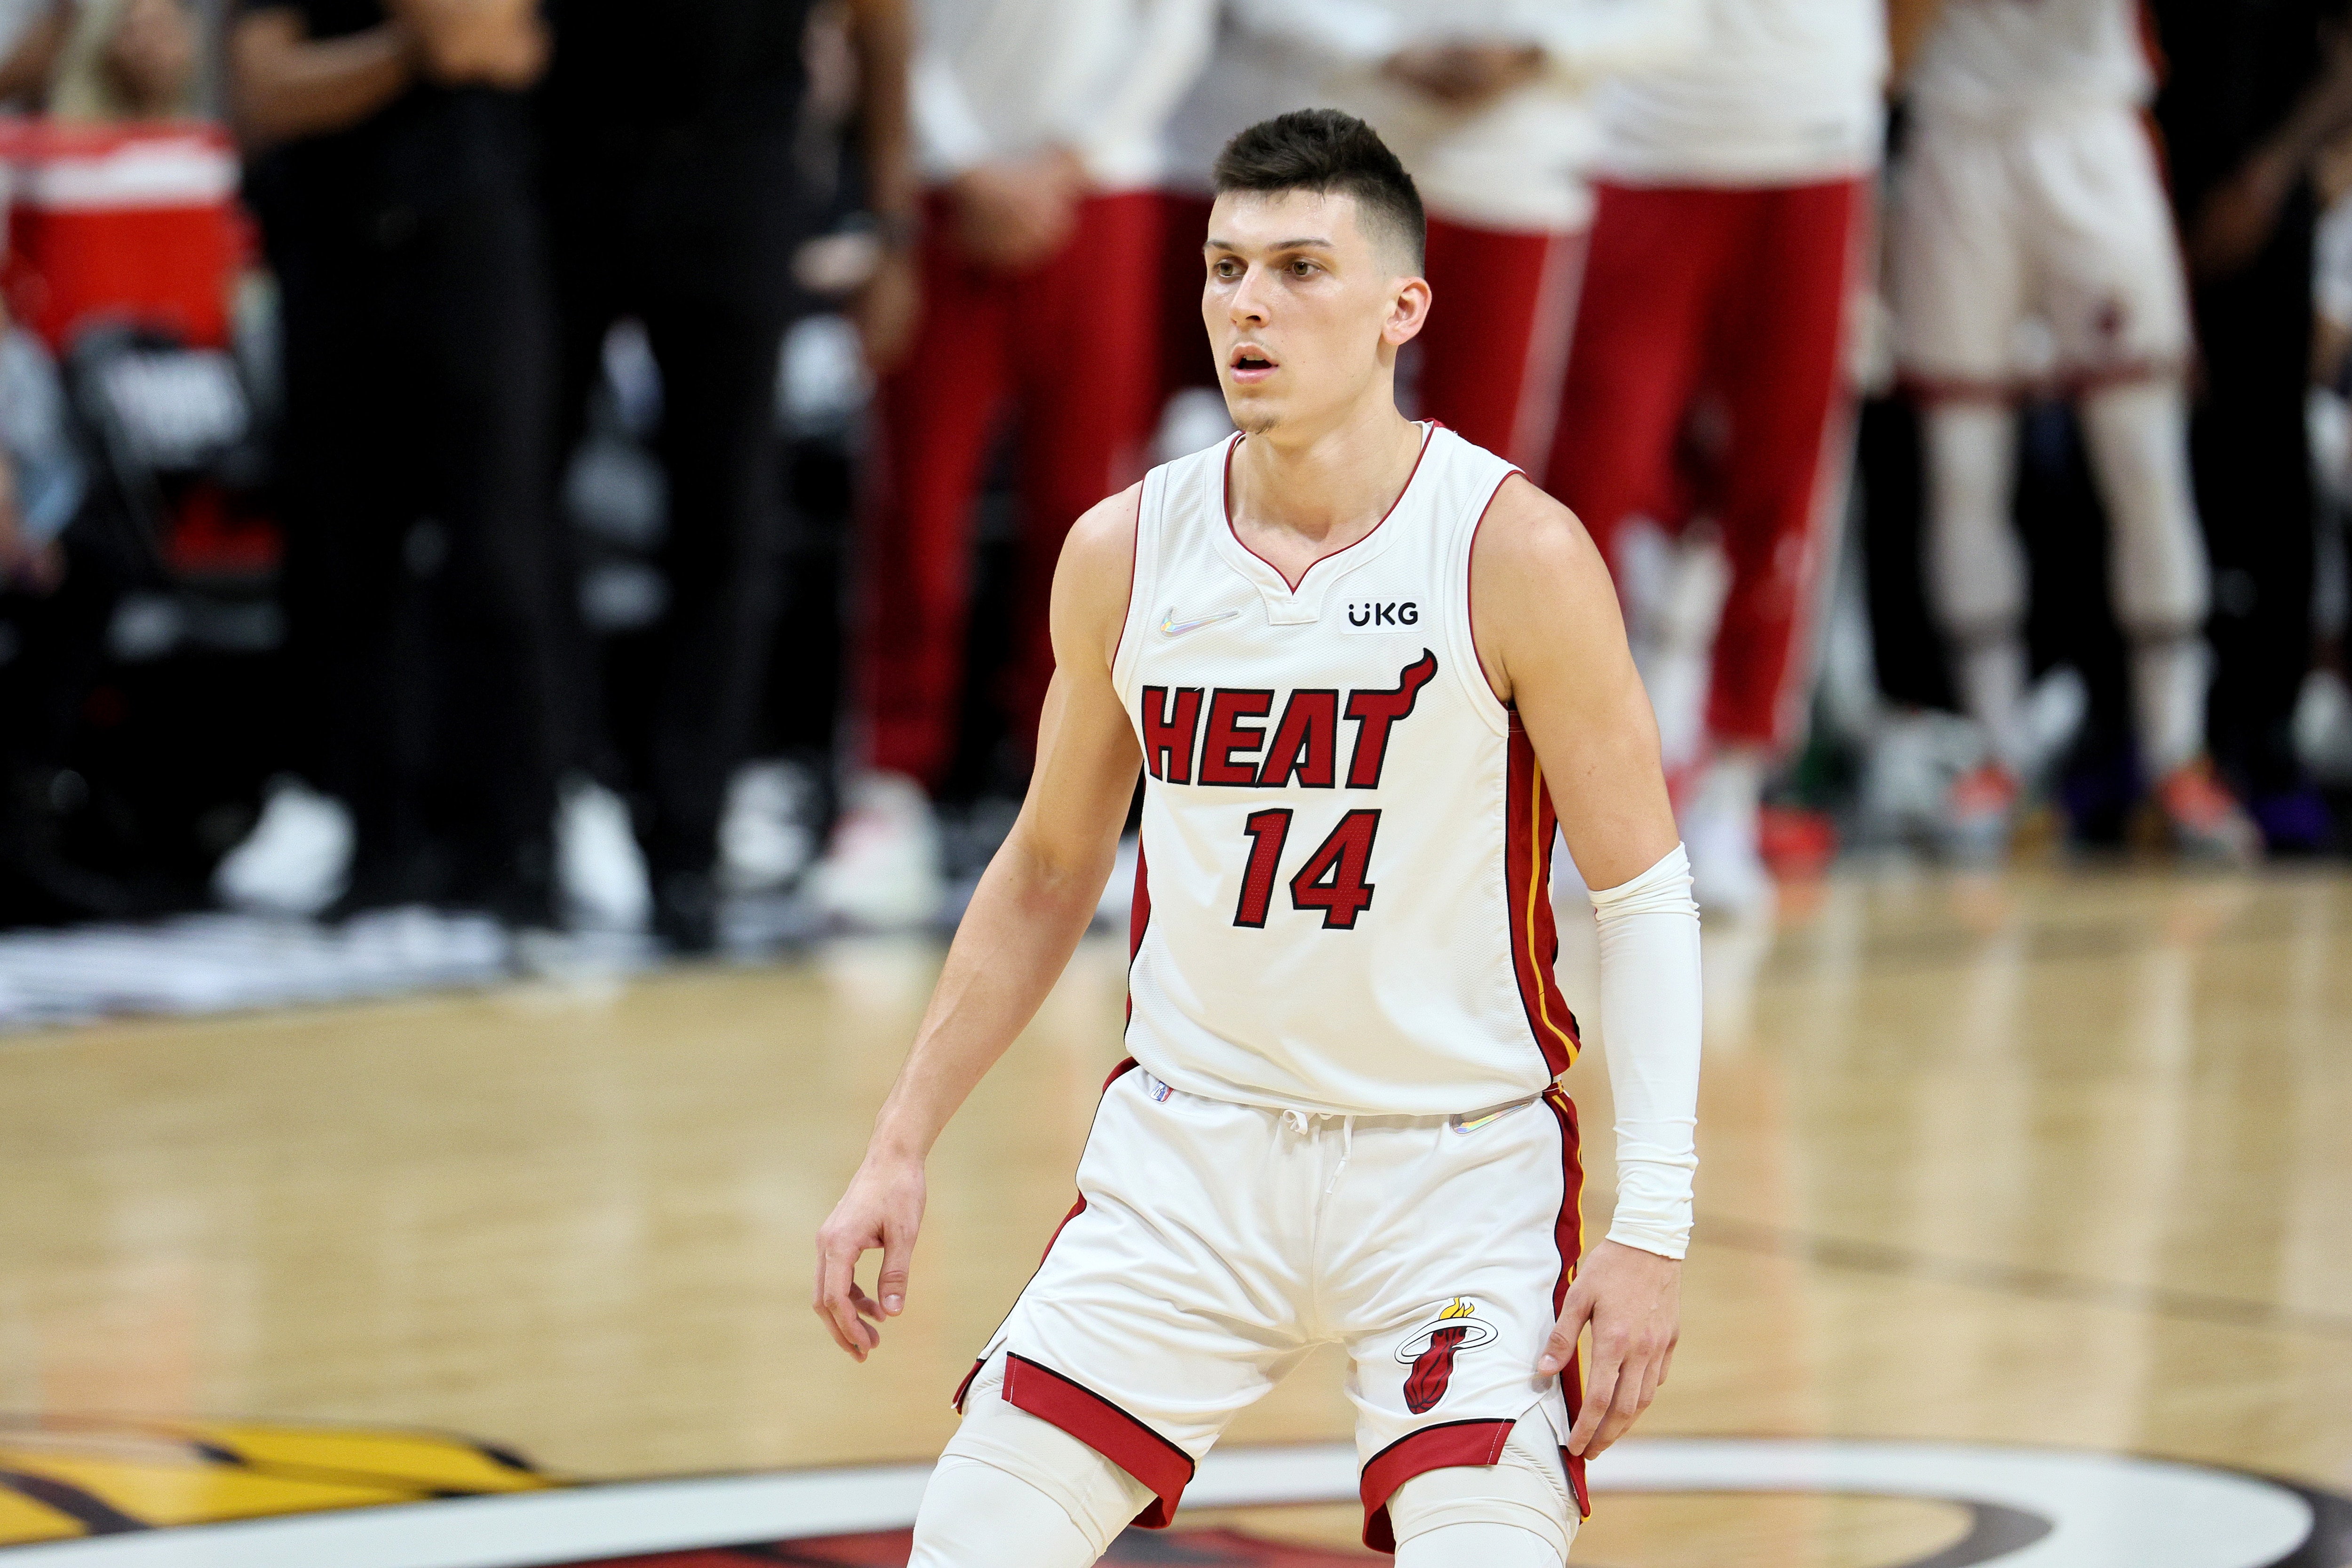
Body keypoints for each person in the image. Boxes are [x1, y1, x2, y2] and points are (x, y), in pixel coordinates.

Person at [814, 111, 1700, 1568]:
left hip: (1453, 1172)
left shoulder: (1512, 551)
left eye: (1300, 268)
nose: (1248, 306)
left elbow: (1645, 896)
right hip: (1188, 1161)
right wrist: (896, 1145)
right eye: (1225, 268)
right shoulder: (1124, 550)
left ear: (1401, 309)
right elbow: (1046, 866)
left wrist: (1651, 1229)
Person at [817, 0, 1214, 928]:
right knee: (914, 506)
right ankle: (891, 788)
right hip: (943, 193)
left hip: (1100, 191)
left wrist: (1067, 158)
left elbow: (1177, 25)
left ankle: (1072, 802)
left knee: (1088, 514)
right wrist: (963, 163)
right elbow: (888, 26)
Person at [538, 0, 916, 952]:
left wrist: (892, 224)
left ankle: (689, 842)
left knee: (729, 526)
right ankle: (560, 792)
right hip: (559, 163)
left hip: (736, 171)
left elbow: (881, 20)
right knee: (517, 503)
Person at [1544, 0, 1896, 914]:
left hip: (1812, 134)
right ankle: (1580, 796)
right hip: (1644, 135)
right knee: (1595, 479)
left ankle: (1730, 791)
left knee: (1780, 485)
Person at [1888, 0, 2256, 859]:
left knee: (2144, 460)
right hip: (1958, 134)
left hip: (2086, 127)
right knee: (1963, 465)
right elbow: (1892, 44)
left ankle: (2177, 757)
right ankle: (1998, 753)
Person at [229, 0, 568, 925]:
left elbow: (498, 39)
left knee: (498, 553)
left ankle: (520, 844)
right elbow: (267, 92)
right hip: (328, 249)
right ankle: (378, 842)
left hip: (473, 243)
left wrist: (367, 57)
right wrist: (416, 47)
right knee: (348, 561)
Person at [1234, 0, 1698, 475]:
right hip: (1343, 174)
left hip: (1515, 187)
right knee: (1301, 439)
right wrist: (1382, 49)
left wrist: (1538, 52)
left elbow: (1671, 22)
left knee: (1480, 462)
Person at [2151, 0, 2352, 851]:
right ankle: (2152, 739)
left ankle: (2264, 744)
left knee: (2269, 472)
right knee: (2155, 467)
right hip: (2149, 199)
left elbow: (2341, 62)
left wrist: (2267, 179)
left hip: (2267, 210)